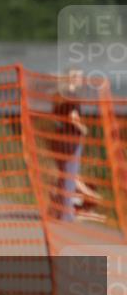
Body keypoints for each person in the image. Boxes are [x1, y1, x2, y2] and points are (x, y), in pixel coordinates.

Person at [49, 70, 99, 221]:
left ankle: (56, 210)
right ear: (71, 78)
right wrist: (83, 129)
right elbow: (73, 117)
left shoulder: (58, 95)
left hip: (59, 137)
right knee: (69, 176)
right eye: (78, 76)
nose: (81, 79)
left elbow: (55, 116)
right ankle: (65, 213)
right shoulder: (72, 96)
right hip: (71, 140)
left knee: (65, 176)